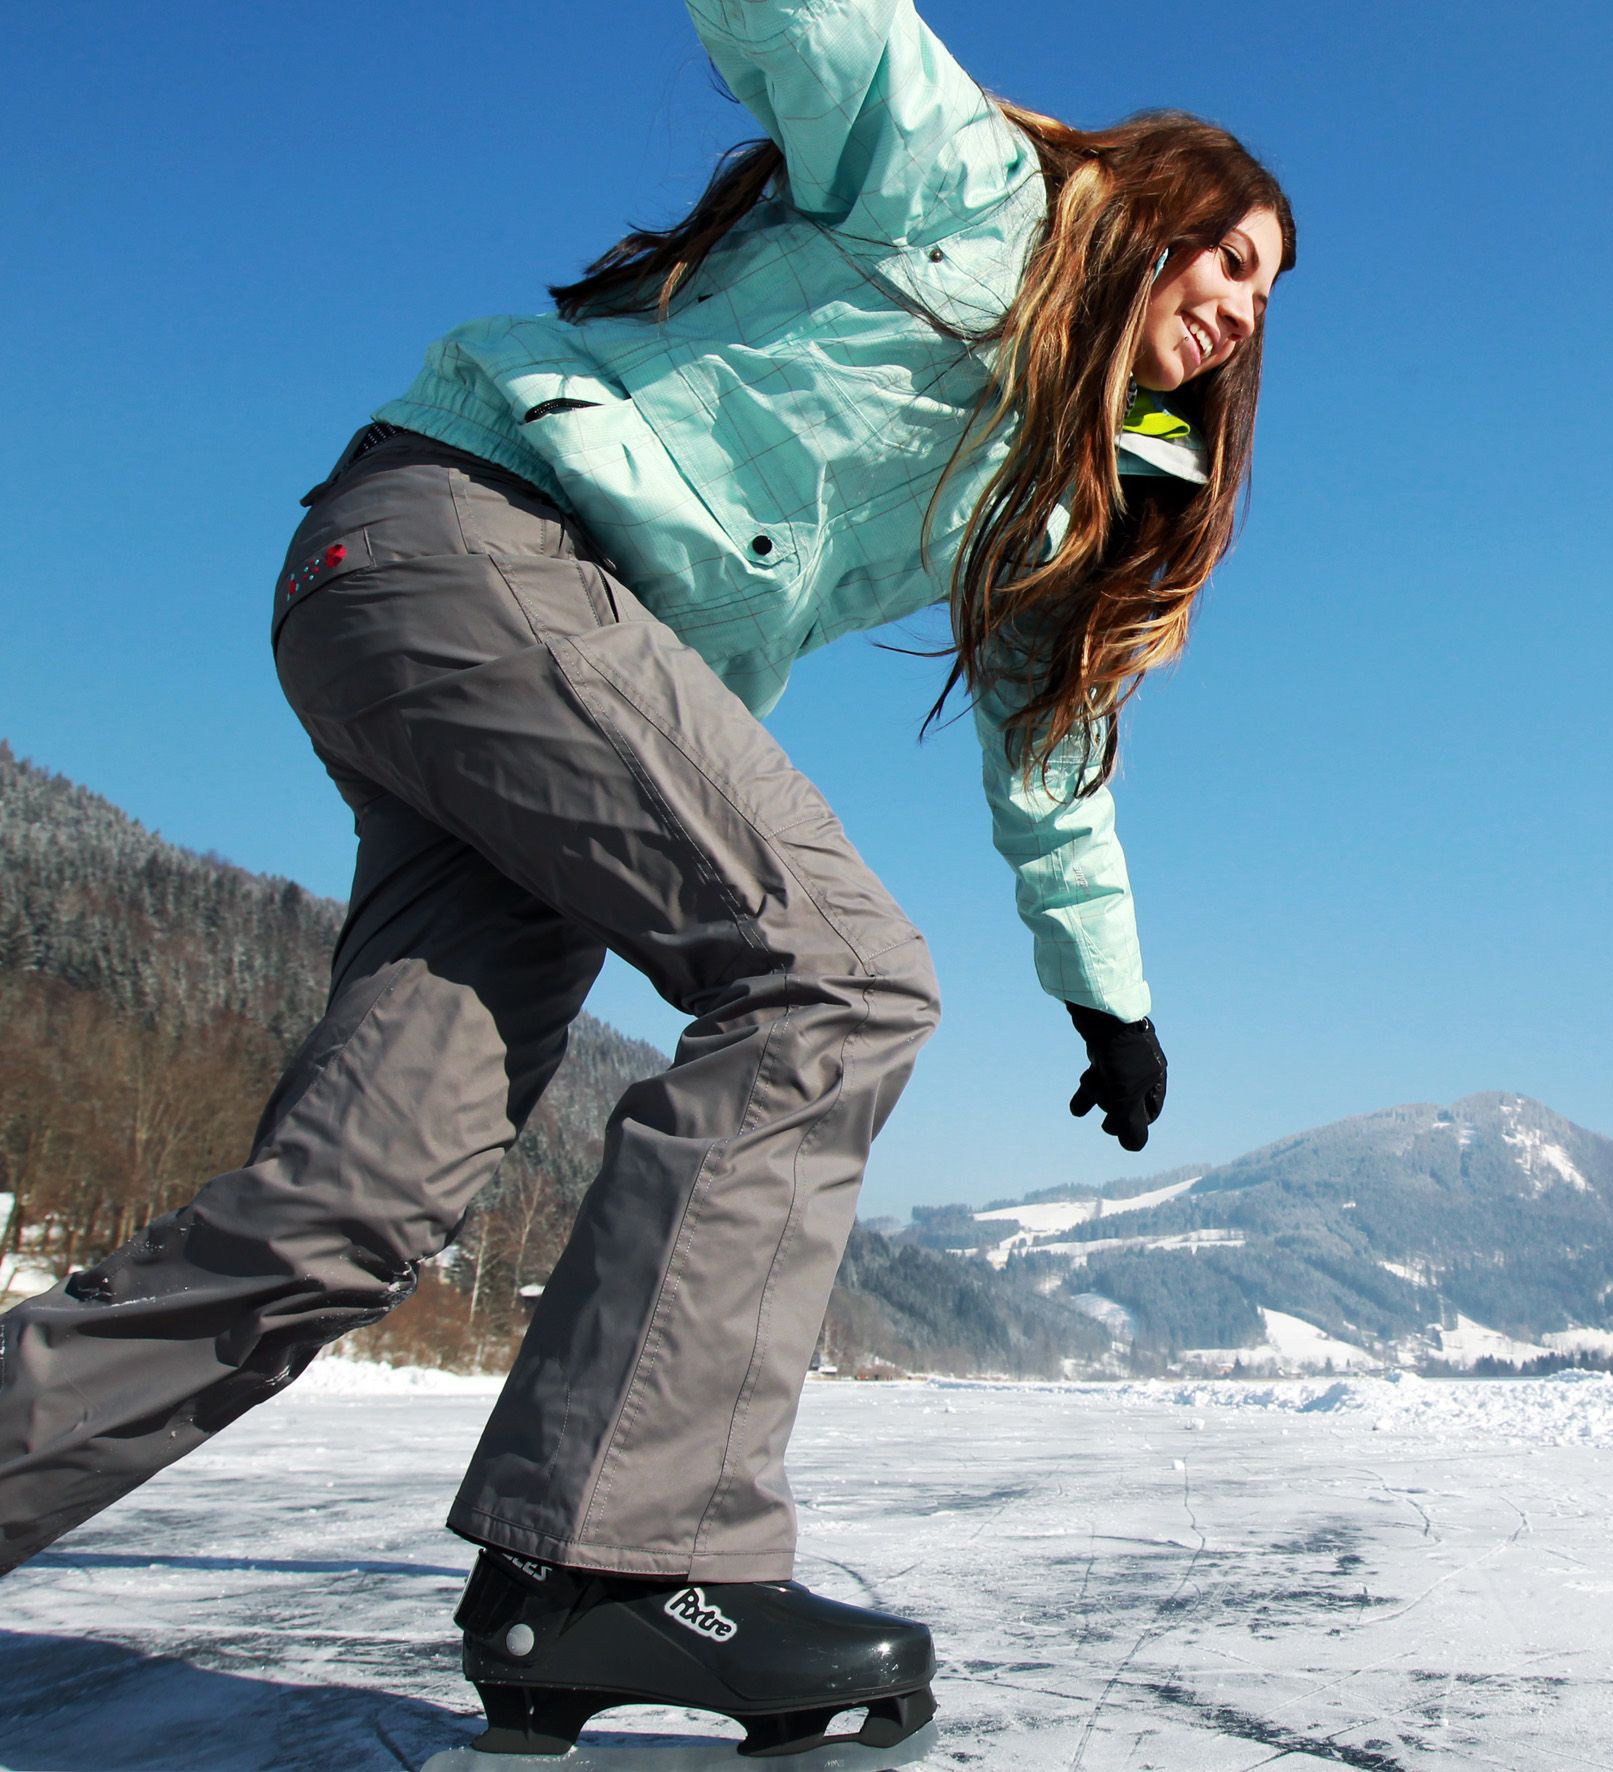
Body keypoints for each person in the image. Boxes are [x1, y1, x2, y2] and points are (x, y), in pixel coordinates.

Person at [0, 0, 1291, 1754]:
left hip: (485, 654)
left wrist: (1107, 996)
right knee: (838, 977)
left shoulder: (1062, 490)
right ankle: (611, 1566)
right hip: (483, 547)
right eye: (1224, 249)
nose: (1231, 307)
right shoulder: (958, 184)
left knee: (354, 1206)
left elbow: (1049, 753)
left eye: (1261, 299)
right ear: (1144, 199)